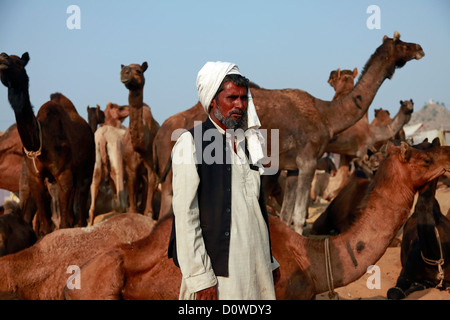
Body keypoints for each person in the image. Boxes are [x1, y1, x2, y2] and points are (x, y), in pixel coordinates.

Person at [168, 61, 280, 300]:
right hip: (219, 277)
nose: (239, 104)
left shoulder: (249, 145)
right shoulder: (191, 143)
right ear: (212, 101)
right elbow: (186, 216)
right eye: (231, 98)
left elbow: (255, 211)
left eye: (243, 98)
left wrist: (269, 260)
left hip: (256, 269)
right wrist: (200, 279)